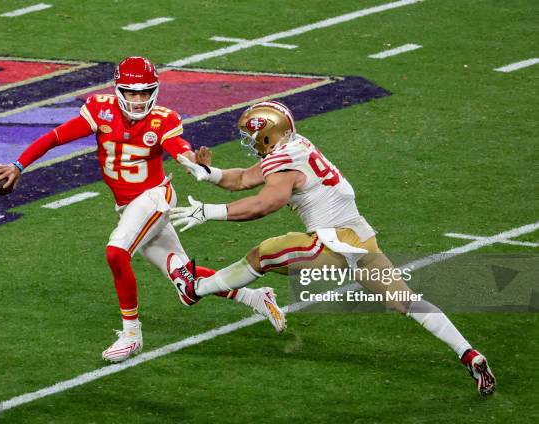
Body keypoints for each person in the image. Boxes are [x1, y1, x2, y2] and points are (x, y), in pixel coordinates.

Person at [166, 100, 496, 396]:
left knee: (263, 254)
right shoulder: (296, 146)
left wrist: (209, 211)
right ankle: (468, 353)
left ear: (266, 135)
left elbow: (264, 204)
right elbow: (243, 179)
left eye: (253, 137)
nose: (250, 143)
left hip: (332, 242)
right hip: (359, 236)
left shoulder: (283, 162)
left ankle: (195, 288)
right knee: (404, 300)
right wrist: (208, 174)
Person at [0, 57, 286, 363]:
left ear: (154, 91)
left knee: (116, 252)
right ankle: (256, 296)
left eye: (145, 92)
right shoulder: (100, 109)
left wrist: (194, 162)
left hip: (154, 199)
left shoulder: (163, 119)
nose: (138, 99)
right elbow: (55, 137)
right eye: (132, 93)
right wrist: (18, 165)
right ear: (119, 90)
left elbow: (179, 147)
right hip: (129, 206)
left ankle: (131, 333)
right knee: (186, 280)